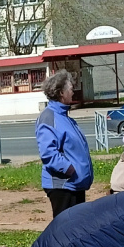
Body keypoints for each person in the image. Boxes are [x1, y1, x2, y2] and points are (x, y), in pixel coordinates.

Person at [36, 69, 93, 218]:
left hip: (75, 184)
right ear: (61, 92)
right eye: (71, 89)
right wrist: (69, 169)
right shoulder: (49, 117)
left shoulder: (65, 117)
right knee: (65, 227)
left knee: (77, 226)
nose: (73, 92)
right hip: (63, 186)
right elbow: (48, 153)